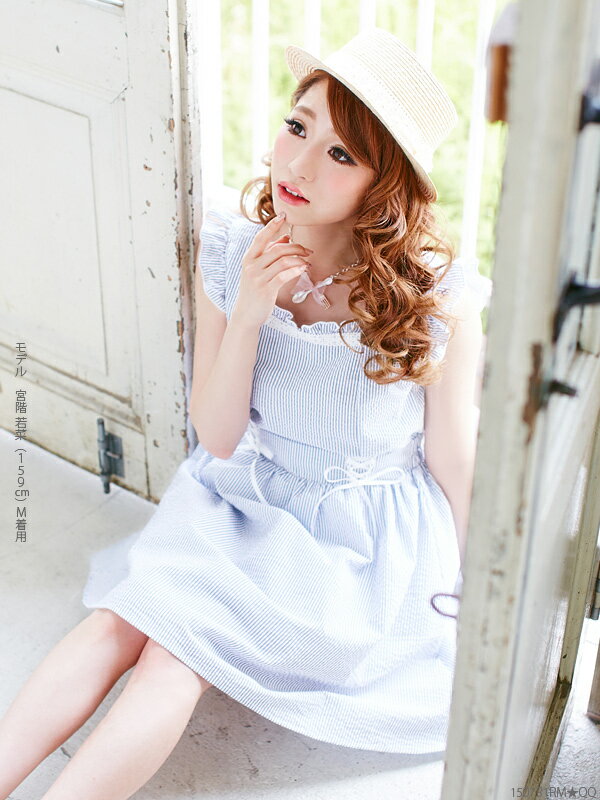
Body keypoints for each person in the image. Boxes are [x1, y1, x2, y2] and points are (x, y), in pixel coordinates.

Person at [0, 27, 489, 800]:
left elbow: (453, 458)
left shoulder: (436, 298)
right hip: (243, 497)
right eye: (298, 127)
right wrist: (253, 309)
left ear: (383, 186)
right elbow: (220, 438)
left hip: (353, 544)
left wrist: (486, 591)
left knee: (173, 657)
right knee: (123, 620)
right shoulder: (235, 250)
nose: (298, 164)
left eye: (340, 154)